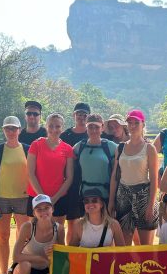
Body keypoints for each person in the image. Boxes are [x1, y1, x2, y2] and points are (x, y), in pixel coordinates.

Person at [0, 116, 30, 274]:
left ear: (19, 130)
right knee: (2, 237)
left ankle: (20, 271)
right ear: (4, 130)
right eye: (8, 129)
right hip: (2, 198)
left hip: (23, 197)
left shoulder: (28, 150)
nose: (11, 132)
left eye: (14, 128)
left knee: (24, 237)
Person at [108, 109, 159, 246]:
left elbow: (154, 179)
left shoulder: (149, 148)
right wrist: (111, 201)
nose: (133, 126)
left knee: (145, 244)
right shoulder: (120, 147)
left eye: (136, 122)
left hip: (143, 194)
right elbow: (115, 176)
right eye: (130, 122)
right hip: (123, 195)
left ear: (143, 124)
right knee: (124, 241)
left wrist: (150, 204)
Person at [67, 114, 118, 243]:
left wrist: (111, 201)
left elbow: (116, 175)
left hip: (105, 196)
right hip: (85, 196)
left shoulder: (111, 147)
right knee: (86, 230)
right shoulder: (79, 147)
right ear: (86, 128)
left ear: (102, 128)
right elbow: (68, 164)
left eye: (96, 127)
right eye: (90, 127)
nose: (94, 130)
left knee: (106, 230)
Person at [26, 113, 74, 227]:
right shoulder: (36, 144)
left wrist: (54, 199)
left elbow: (69, 177)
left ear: (62, 128)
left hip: (58, 198)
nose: (54, 129)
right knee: (34, 234)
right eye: (51, 126)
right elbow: (30, 173)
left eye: (57, 126)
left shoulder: (68, 149)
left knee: (57, 235)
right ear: (46, 126)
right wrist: (43, 198)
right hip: (37, 197)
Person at [62, 103, 91, 227]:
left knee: (91, 220)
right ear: (74, 115)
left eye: (85, 115)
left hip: (89, 181)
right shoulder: (65, 135)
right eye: (79, 114)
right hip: (71, 183)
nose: (81, 117)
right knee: (72, 223)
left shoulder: (93, 133)